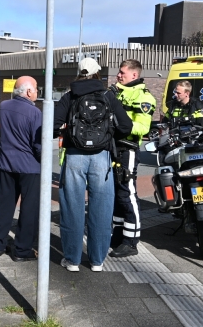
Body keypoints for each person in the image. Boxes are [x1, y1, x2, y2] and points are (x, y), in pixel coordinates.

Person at [54, 58, 132, 272]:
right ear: (98, 73)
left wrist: (66, 132)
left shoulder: (70, 96)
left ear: (79, 73)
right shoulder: (108, 96)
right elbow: (126, 126)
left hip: (74, 156)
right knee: (101, 209)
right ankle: (97, 260)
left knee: (72, 208)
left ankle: (72, 260)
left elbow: (51, 126)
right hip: (101, 157)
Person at [0, 76, 43, 262]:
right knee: (29, 210)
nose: (37, 92)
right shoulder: (35, 113)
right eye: (36, 88)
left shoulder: (4, 107)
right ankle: (21, 250)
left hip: (6, 165)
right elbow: (38, 145)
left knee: (4, 206)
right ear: (28, 92)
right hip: (29, 168)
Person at [108, 59, 156, 257]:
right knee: (116, 195)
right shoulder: (116, 93)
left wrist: (119, 125)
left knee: (127, 194)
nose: (119, 75)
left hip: (127, 149)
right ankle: (118, 236)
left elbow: (143, 128)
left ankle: (131, 241)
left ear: (134, 75)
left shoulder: (143, 98)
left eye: (122, 73)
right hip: (112, 148)